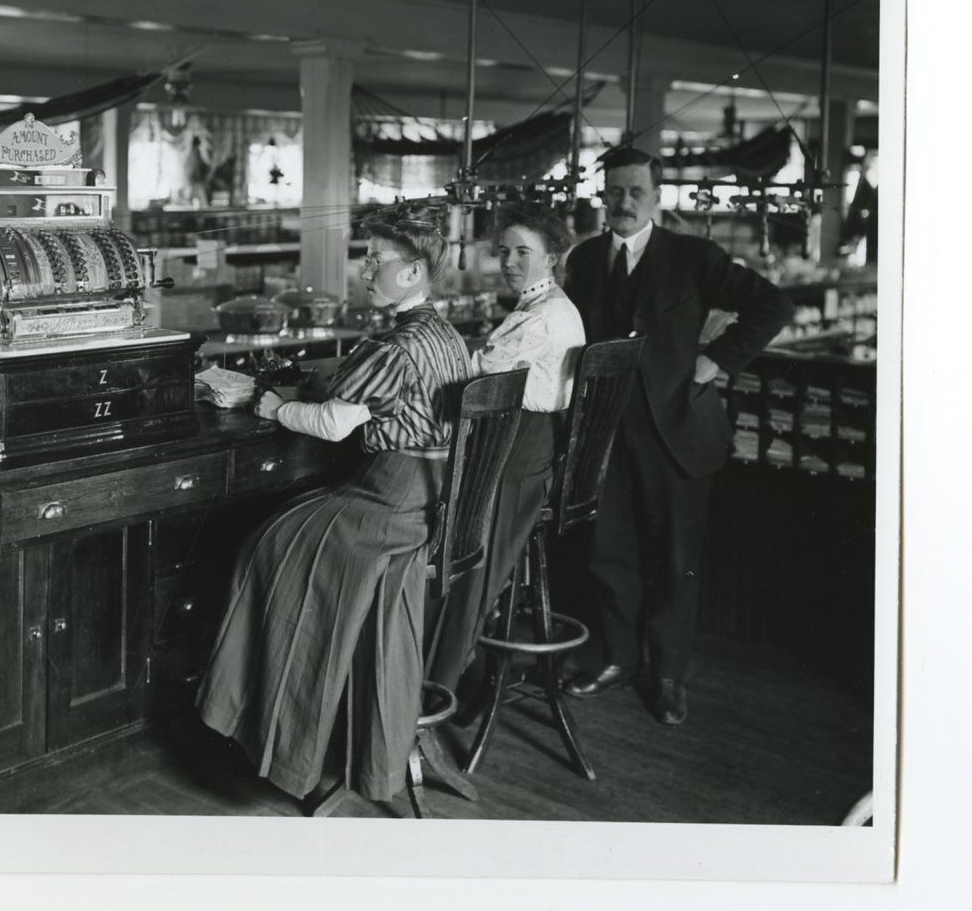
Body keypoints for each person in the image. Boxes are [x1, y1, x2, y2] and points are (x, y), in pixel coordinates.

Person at [196, 206, 474, 803]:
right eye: (366, 257)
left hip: (387, 504)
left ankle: (263, 731)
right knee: (285, 532)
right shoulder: (449, 336)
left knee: (267, 545)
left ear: (415, 272)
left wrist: (272, 408)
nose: (365, 269)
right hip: (431, 503)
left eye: (378, 260)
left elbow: (332, 423)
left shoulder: (393, 346)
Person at [561, 146, 793, 725]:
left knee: (674, 559)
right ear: (602, 194)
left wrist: (716, 362)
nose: (624, 201)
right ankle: (615, 658)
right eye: (614, 191)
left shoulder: (693, 256)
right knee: (608, 554)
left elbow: (772, 304)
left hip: (678, 435)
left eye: (636, 191)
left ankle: (666, 676)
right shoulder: (585, 260)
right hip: (606, 436)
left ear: (656, 196)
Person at [431, 202, 586, 697]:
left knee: (464, 561)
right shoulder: (542, 307)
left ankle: (439, 681)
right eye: (504, 252)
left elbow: (474, 371)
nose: (511, 262)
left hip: (519, 453)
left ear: (553, 257)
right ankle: (457, 668)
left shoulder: (544, 316)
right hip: (525, 446)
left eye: (524, 252)